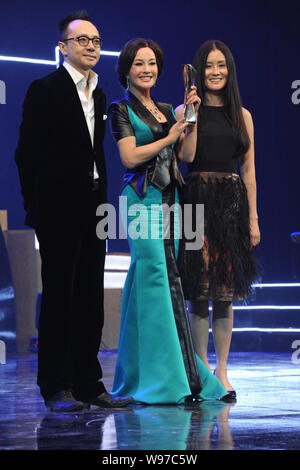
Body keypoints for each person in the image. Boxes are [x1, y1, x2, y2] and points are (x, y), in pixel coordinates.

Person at [15, 10, 132, 411]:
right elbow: (25, 155)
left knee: (89, 297)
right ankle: (56, 386)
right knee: (60, 295)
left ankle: (88, 382)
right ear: (62, 46)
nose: (92, 47)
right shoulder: (44, 89)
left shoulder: (99, 93)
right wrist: (38, 207)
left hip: (93, 206)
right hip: (57, 209)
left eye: (97, 40)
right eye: (83, 40)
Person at [108, 38, 229, 404]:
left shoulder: (165, 109)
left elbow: (186, 154)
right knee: (157, 279)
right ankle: (167, 380)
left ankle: (173, 374)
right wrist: (170, 137)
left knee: (163, 280)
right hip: (141, 201)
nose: (147, 69)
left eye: (152, 63)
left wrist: (188, 124)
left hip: (172, 199)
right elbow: (129, 159)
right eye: (139, 63)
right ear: (126, 69)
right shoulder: (120, 110)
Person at [180, 40, 260, 400]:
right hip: (196, 201)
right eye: (209, 66)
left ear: (230, 70)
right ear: (200, 70)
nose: (215, 72)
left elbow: (249, 170)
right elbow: (188, 156)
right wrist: (191, 115)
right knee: (198, 292)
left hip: (230, 205)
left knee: (225, 294)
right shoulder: (186, 110)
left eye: (222, 65)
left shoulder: (242, 115)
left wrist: (253, 219)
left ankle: (223, 371)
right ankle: (201, 372)